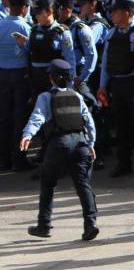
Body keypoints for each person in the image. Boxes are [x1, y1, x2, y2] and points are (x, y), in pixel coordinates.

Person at [21, 59, 99, 241]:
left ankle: (44, 225)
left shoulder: (45, 97)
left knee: (48, 183)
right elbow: (89, 122)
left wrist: (27, 135)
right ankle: (91, 224)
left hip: (59, 145)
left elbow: (37, 118)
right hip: (80, 144)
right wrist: (91, 144)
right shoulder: (77, 96)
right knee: (83, 185)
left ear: (51, 78)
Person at [97, 0, 134, 178]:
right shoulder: (111, 33)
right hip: (118, 83)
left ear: (127, 13)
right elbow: (106, 60)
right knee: (121, 126)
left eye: (116, 11)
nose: (112, 15)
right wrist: (102, 85)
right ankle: (124, 163)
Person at [0, 0, 32, 171]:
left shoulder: (1, 24)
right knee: (19, 118)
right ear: (23, 8)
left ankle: (4, 159)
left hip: (2, 74)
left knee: (4, 117)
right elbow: (31, 52)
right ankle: (19, 160)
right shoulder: (25, 27)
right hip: (20, 76)